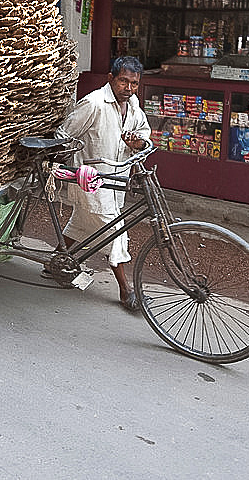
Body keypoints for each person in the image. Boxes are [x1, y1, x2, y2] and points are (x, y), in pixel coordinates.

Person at [56, 56, 151, 311]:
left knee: (83, 223)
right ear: (111, 78)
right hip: (90, 181)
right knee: (116, 229)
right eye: (123, 81)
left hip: (116, 179)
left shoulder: (133, 105)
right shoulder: (94, 103)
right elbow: (64, 135)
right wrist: (70, 166)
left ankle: (55, 259)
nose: (128, 88)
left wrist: (138, 143)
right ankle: (125, 289)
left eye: (134, 83)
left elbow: (144, 132)